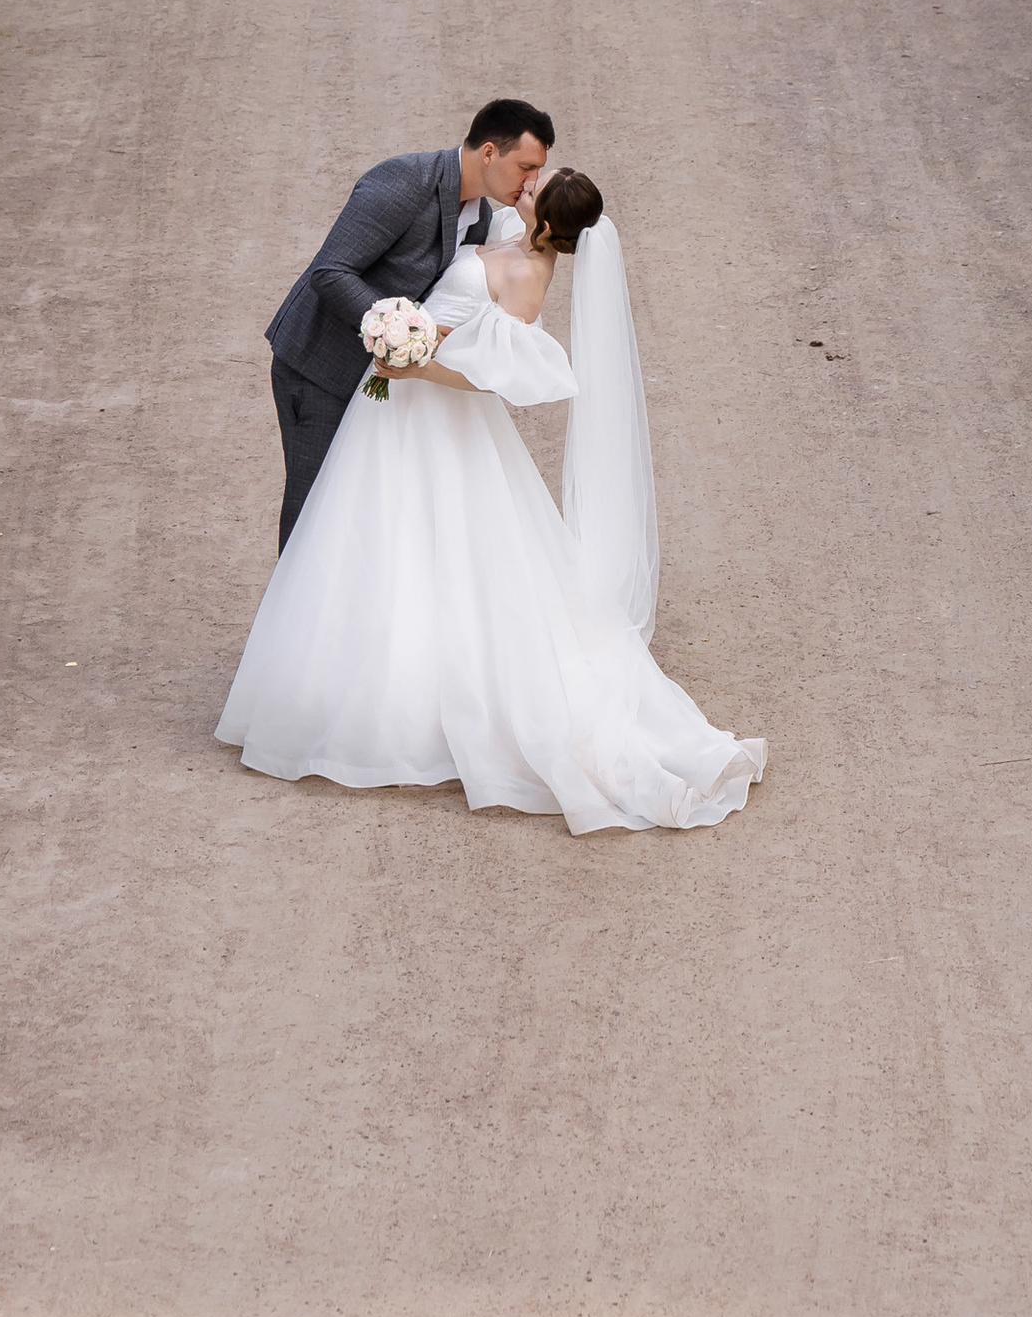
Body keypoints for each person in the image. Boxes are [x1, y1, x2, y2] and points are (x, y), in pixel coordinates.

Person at [219, 164, 764, 835]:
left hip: (435, 411)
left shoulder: (528, 276)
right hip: (386, 409)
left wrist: (412, 358)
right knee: (375, 536)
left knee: (444, 544)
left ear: (543, 220)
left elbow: (493, 376)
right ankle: (361, 688)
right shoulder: (506, 228)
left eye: (536, 187)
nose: (524, 185)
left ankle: (413, 709)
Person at [265, 103, 555, 551]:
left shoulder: (478, 218)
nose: (531, 181)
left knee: (361, 514)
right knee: (313, 513)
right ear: (490, 153)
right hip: (319, 368)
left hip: (382, 384)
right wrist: (406, 328)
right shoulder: (403, 181)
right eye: (526, 167)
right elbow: (330, 272)